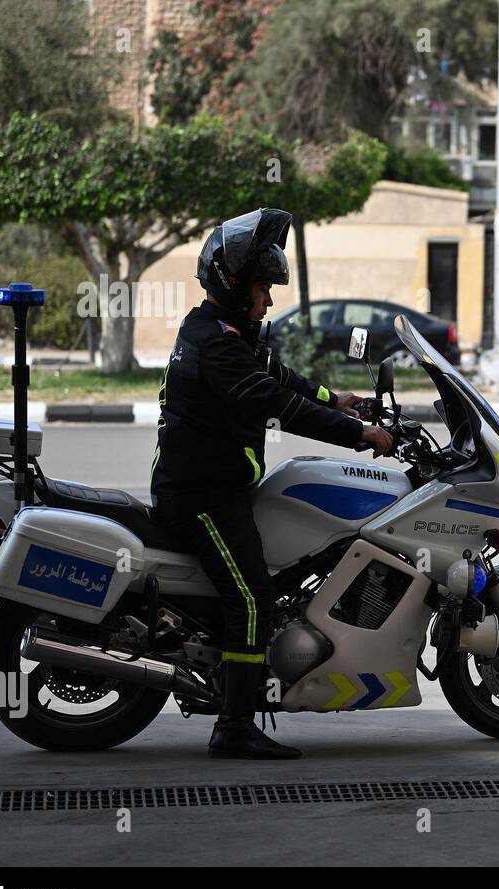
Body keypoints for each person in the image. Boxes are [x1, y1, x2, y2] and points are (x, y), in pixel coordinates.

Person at [150, 207, 393, 759]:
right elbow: (276, 402)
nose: (270, 298)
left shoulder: (225, 333)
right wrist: (359, 434)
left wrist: (339, 400)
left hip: (218, 487)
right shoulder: (217, 346)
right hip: (201, 497)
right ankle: (233, 727)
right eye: (262, 287)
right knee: (252, 599)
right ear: (234, 286)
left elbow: (280, 378)